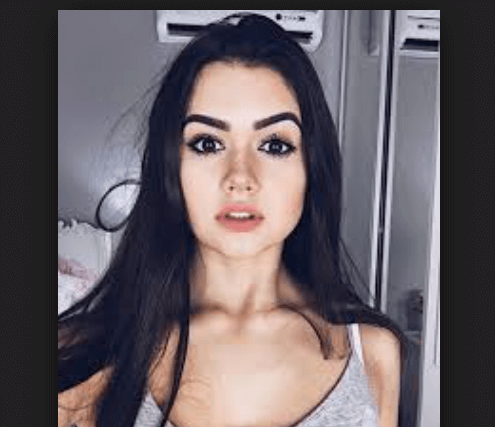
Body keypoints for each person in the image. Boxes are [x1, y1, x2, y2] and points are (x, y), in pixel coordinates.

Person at [58, 13, 406, 427]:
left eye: (274, 145)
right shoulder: (81, 358)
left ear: (312, 168)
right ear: (171, 167)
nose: (240, 177)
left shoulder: (374, 355)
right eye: (207, 143)